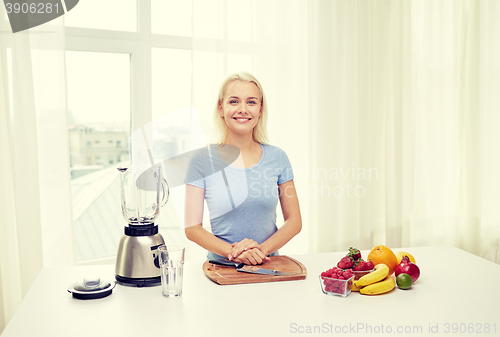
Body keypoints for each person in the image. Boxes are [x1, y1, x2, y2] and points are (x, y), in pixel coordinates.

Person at [184, 72, 301, 265]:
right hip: (221, 269)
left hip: (268, 267)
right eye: (234, 101)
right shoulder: (201, 160)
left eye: (251, 102)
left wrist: (260, 252)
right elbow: (192, 228)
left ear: (260, 109)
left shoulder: (277, 157)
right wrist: (234, 253)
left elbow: (294, 221)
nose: (243, 109)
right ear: (221, 108)